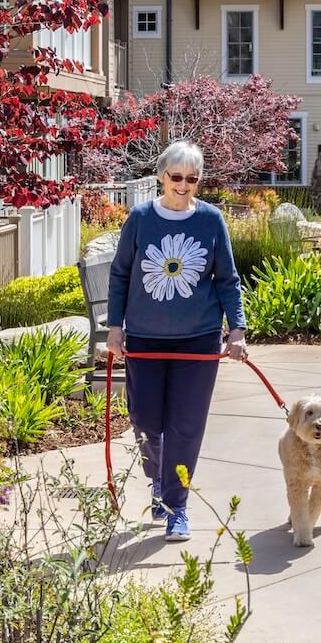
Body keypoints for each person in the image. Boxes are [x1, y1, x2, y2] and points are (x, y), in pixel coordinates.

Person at [106, 140, 247, 541]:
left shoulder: (211, 220)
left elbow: (227, 280)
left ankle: (176, 506)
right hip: (146, 339)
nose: (184, 185)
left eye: (192, 178)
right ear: (161, 177)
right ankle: (159, 481)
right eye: (177, 177)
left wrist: (236, 329)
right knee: (147, 423)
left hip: (198, 341)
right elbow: (120, 275)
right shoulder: (140, 218)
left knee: (185, 427)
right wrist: (115, 327)